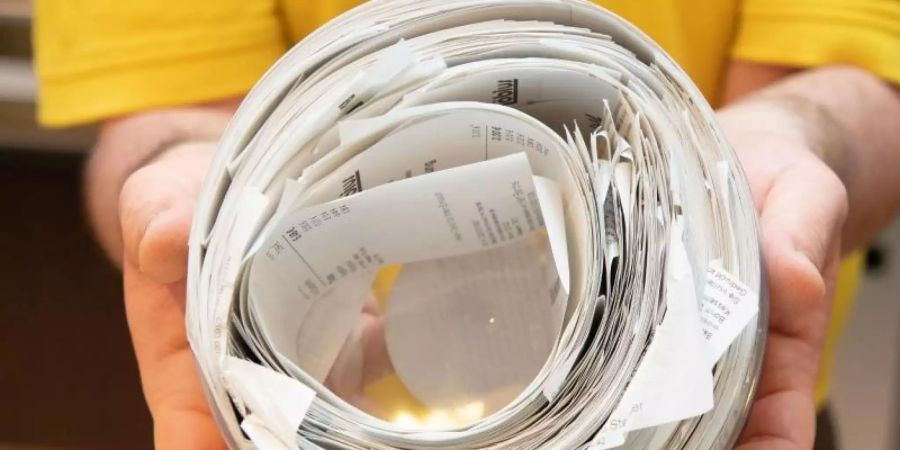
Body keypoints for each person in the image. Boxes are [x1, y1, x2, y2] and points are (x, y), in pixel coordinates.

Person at [34, 1, 900, 449]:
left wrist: (787, 139)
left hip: (723, 410)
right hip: (312, 410)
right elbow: (169, 111)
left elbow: (850, 77)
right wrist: (190, 190)